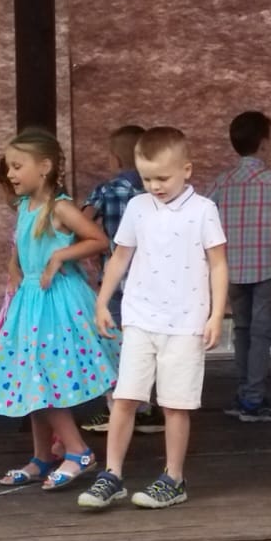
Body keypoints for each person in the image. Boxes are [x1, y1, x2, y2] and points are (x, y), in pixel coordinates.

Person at [80, 127, 229, 510]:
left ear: (186, 170)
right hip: (139, 318)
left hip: (185, 323)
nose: (154, 186)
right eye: (147, 178)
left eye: (162, 177)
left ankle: (173, 478)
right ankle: (112, 474)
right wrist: (102, 302)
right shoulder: (137, 207)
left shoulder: (203, 210)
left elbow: (218, 264)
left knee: (176, 404)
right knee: (125, 398)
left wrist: (216, 314)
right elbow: (119, 256)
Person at [0, 128, 118, 491]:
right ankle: (42, 456)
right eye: (8, 166)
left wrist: (60, 256)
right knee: (29, 378)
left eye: (17, 166)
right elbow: (21, 245)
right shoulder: (24, 206)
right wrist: (14, 266)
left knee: (42, 378)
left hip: (57, 302)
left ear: (44, 167)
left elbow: (98, 240)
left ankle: (78, 451)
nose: (10, 174)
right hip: (30, 302)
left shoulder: (60, 207)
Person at [207, 111, 271, 423]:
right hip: (266, 267)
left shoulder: (223, 181)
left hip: (231, 268)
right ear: (264, 144)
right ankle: (254, 399)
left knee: (242, 330)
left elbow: (202, 212)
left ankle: (243, 394)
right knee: (261, 334)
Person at [80, 125, 159, 435]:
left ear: (114, 159)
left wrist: (94, 248)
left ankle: (116, 407)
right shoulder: (156, 191)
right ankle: (146, 408)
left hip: (114, 279)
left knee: (113, 343)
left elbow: (82, 222)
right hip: (151, 281)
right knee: (147, 343)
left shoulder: (106, 190)